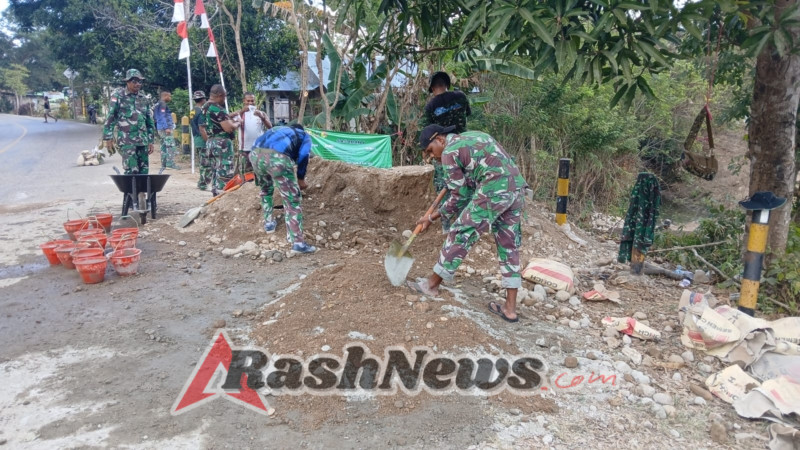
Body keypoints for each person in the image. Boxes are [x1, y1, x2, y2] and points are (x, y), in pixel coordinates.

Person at [408, 124, 527, 323]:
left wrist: (431, 217)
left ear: (440, 139)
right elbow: (477, 176)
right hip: (516, 189)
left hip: (494, 189)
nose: (432, 157)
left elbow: (459, 197)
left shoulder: (449, 152)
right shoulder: (475, 136)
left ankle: (431, 285)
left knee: (461, 232)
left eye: (430, 150)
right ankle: (510, 309)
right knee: (509, 246)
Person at [250, 124, 317, 254]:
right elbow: (304, 154)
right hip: (276, 158)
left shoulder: (278, 130)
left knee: (266, 190)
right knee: (292, 200)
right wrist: (301, 178)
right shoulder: (303, 135)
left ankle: (269, 224)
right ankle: (297, 242)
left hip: (254, 155)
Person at [423, 71, 471, 233]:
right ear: (447, 84)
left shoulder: (430, 106)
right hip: (465, 146)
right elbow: (467, 115)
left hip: (444, 149)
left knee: (443, 185)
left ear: (432, 88)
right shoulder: (461, 96)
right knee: (466, 183)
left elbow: (430, 133)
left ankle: (446, 225)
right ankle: (464, 220)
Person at [103, 69, 155, 175]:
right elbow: (111, 118)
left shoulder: (144, 99)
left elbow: (149, 122)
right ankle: (130, 191)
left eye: (139, 81)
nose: (137, 84)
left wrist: (150, 140)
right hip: (127, 141)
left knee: (144, 171)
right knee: (132, 170)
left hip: (142, 141)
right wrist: (108, 138)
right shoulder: (118, 97)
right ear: (127, 82)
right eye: (134, 81)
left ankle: (141, 191)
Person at [201, 84, 240, 196]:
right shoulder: (217, 108)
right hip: (222, 143)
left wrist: (232, 115)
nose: (224, 99)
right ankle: (223, 194)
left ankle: (215, 193)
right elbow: (228, 128)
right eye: (224, 96)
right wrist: (238, 123)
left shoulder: (205, 107)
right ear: (219, 95)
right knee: (225, 169)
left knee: (215, 169)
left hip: (210, 142)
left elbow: (217, 120)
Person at [190, 90, 212, 190]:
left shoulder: (193, 110)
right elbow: (201, 129)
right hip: (202, 139)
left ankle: (201, 182)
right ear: (203, 99)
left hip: (196, 139)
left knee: (202, 162)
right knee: (206, 164)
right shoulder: (201, 112)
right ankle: (203, 184)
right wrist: (208, 141)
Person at [154, 90, 180, 170]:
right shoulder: (163, 104)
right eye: (169, 96)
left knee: (163, 146)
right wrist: (166, 127)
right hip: (165, 128)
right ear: (165, 96)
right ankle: (170, 163)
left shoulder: (157, 104)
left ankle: (164, 164)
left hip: (160, 127)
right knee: (170, 146)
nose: (170, 98)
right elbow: (162, 116)